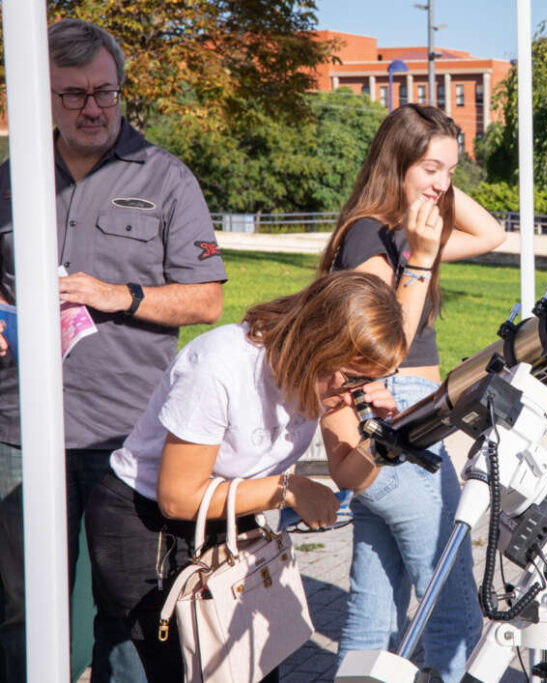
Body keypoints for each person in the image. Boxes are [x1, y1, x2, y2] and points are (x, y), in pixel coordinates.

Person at [0, 19, 225, 682]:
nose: (93, 107)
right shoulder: (11, 179)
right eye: (73, 95)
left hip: (125, 435)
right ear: (43, 99)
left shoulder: (166, 178)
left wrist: (115, 293)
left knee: (128, 608)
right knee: (17, 605)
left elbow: (207, 299)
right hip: (18, 430)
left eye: (106, 91)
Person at [85, 271, 406, 683]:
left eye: (375, 379)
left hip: (227, 513)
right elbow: (179, 497)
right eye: (356, 378)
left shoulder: (331, 378)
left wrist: (380, 440)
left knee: (247, 666)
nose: (359, 393)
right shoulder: (221, 365)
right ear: (318, 343)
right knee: (171, 669)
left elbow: (349, 475)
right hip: (145, 523)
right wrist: (286, 490)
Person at [319, 103, 504, 682]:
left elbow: (491, 233)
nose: (443, 184)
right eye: (428, 168)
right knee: (451, 612)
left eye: (451, 170)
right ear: (394, 162)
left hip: (398, 427)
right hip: (397, 423)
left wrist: (434, 184)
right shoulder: (371, 241)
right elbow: (381, 352)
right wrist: (421, 261)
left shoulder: (395, 233)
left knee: (373, 614)